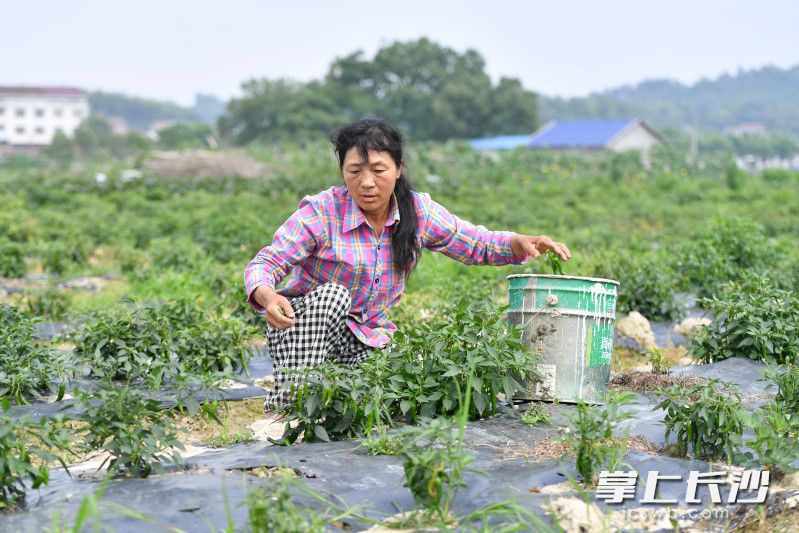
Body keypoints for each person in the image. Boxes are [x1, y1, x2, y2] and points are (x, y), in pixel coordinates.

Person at [244, 117, 571, 431]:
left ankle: (333, 397)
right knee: (333, 296)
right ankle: (293, 402)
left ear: (398, 170)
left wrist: (519, 243)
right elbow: (265, 263)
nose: (367, 182)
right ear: (343, 172)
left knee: (404, 385)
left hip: (365, 338)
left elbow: (473, 242)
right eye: (354, 171)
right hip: (302, 330)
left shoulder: (417, 212)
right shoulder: (321, 212)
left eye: (378, 170)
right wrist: (269, 296)